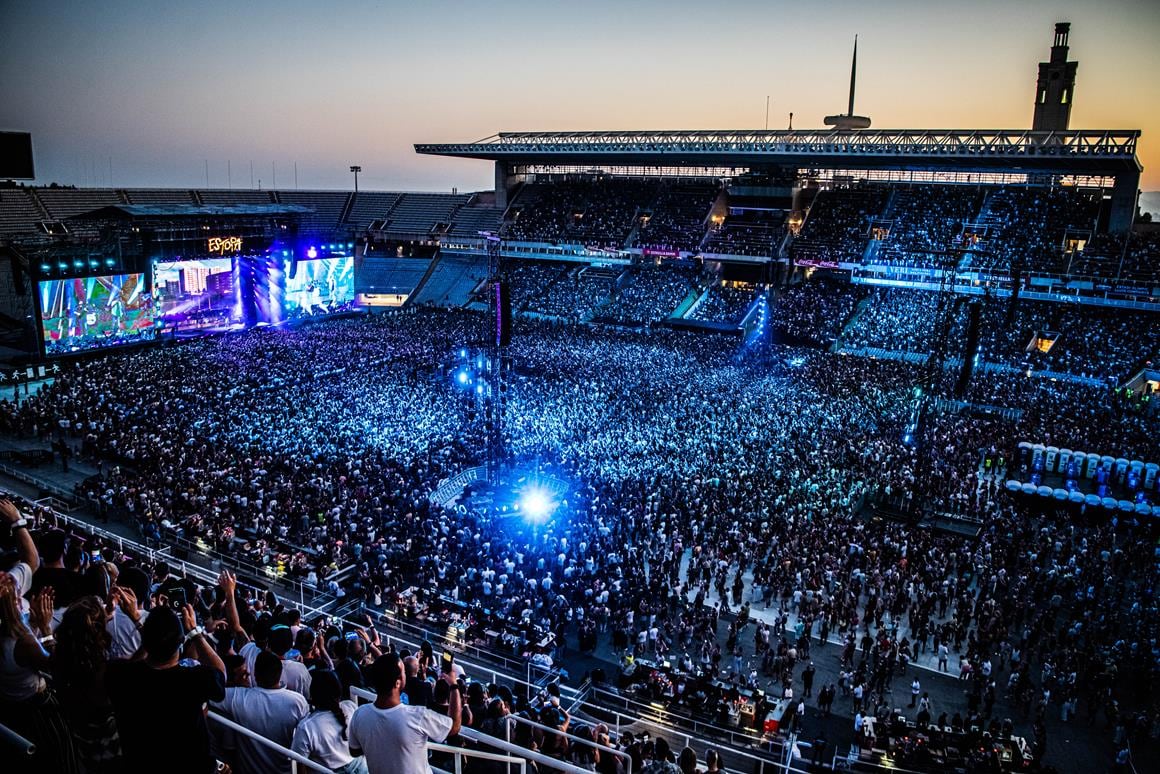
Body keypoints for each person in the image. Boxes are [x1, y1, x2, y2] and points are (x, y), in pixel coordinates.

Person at [106, 604, 226, 774]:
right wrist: (195, 632)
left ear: (145, 642)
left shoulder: (120, 674)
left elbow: (135, 662)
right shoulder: (195, 679)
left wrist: (138, 621)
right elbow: (220, 672)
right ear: (180, 642)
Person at [349, 654, 461, 774]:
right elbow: (454, 726)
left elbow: (354, 751)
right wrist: (454, 686)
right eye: (403, 672)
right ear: (397, 683)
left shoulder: (359, 714)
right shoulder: (417, 716)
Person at [213, 650, 310, 773]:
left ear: (255, 674)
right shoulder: (297, 702)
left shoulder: (237, 698)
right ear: (280, 674)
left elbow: (210, 692)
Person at [292, 669, 366, 774]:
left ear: (313, 694)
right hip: (361, 767)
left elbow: (299, 762)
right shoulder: (351, 707)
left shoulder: (306, 727)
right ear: (339, 691)